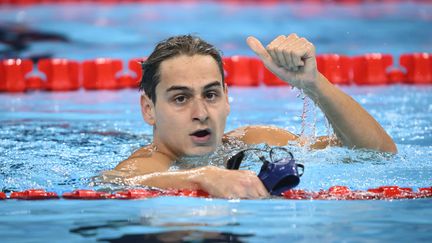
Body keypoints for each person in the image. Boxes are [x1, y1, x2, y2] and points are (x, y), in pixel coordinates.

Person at [102, 34, 397, 199]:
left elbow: (377, 152)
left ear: (227, 98)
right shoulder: (150, 162)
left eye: (211, 94)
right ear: (148, 109)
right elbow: (111, 182)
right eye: (181, 98)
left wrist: (313, 83)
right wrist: (201, 176)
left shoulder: (249, 140)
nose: (201, 113)